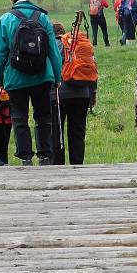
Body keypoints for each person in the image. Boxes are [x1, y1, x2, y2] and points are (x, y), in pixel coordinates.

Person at [0, 0, 62, 166]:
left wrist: (0, 78)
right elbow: (53, 51)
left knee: (19, 118)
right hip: (42, 75)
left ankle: (25, 158)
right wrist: (57, 77)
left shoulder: (5, 19)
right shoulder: (43, 18)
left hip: (15, 78)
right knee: (43, 117)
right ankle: (45, 156)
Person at [53, 18, 98, 165]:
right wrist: (92, 94)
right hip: (82, 93)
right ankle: (77, 165)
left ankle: (58, 167)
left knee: (57, 133)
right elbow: (92, 70)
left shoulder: (53, 45)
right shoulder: (77, 45)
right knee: (77, 133)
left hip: (58, 95)